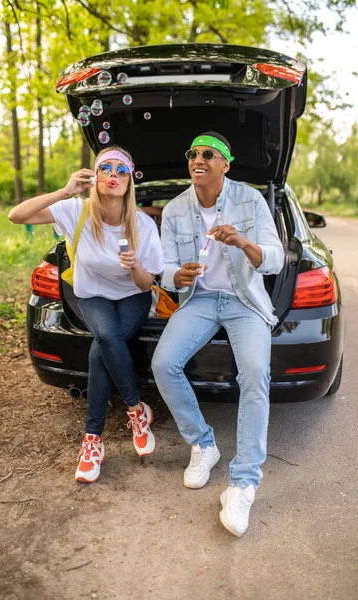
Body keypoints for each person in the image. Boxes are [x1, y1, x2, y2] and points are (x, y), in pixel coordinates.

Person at [151, 132, 284, 537]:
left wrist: (244, 242)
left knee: (255, 375)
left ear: (225, 164)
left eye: (209, 154)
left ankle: (243, 484)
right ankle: (204, 443)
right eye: (193, 152)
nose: (199, 158)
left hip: (245, 303)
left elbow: (275, 259)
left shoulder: (250, 200)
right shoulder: (174, 209)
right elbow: (165, 268)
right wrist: (178, 275)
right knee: (163, 363)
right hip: (200, 301)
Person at [9, 145, 165, 483]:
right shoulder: (74, 211)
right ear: (94, 176)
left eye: (121, 170)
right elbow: (16, 216)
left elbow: (147, 282)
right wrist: (65, 191)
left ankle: (93, 439)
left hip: (132, 296)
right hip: (93, 296)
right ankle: (137, 409)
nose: (114, 175)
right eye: (106, 168)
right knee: (106, 337)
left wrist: (135, 265)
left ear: (129, 180)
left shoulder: (142, 225)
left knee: (100, 349)